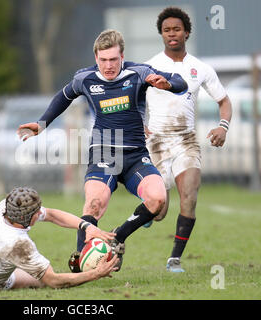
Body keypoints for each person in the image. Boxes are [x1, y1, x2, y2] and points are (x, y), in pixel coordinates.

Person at [17, 29, 188, 272]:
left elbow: (182, 83)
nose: (108, 66)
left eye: (113, 60)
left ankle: (117, 238)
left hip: (134, 155)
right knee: (94, 204)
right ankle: (80, 260)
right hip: (103, 153)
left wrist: (168, 84)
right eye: (103, 60)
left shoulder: (139, 73)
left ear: (122, 56)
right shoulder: (85, 78)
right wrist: (41, 123)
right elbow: (63, 97)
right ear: (96, 58)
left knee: (158, 199)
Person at [143, 7, 232, 272]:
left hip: (186, 140)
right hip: (157, 143)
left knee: (190, 197)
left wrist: (223, 127)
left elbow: (224, 100)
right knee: (159, 212)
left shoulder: (200, 68)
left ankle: (174, 259)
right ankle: (149, 211)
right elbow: (131, 99)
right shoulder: (149, 66)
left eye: (177, 29)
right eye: (167, 30)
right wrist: (139, 124)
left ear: (187, 33)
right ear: (161, 34)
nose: (172, 34)